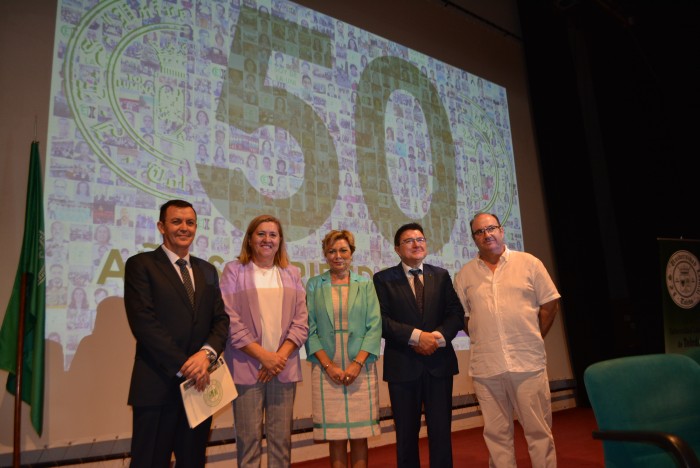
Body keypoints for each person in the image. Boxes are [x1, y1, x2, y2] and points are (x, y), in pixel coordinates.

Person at [123, 199, 229, 467]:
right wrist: (185, 365)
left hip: (200, 386)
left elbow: (221, 321)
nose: (184, 227)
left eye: (190, 222)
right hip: (157, 386)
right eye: (176, 221)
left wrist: (206, 356)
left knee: (193, 461)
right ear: (161, 226)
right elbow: (144, 324)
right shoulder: (141, 265)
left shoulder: (207, 270)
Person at [453, 212, 560, 468]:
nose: (486, 235)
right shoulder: (465, 275)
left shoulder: (529, 263)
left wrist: (533, 335)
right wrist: (486, 337)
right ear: (473, 238)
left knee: (538, 432)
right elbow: (466, 320)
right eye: (479, 232)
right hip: (486, 368)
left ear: (501, 231)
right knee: (496, 436)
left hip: (527, 364)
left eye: (491, 228)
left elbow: (550, 303)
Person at [220, 214, 308, 467]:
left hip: (283, 367)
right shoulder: (234, 271)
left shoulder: (292, 273)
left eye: (273, 234)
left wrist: (277, 358)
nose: (267, 239)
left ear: (280, 241)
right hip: (248, 367)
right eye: (261, 234)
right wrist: (263, 356)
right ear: (250, 239)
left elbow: (301, 320)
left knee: (281, 443)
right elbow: (229, 318)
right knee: (248, 443)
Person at [373, 222, 464, 468]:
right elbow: (380, 320)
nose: (416, 244)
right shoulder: (383, 279)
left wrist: (436, 337)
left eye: (420, 239)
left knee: (441, 432)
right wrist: (416, 336)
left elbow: (456, 314)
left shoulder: (441, 275)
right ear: (397, 249)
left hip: (439, 364)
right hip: (403, 366)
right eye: (409, 241)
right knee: (405, 434)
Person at [305, 230, 381, 467]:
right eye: (332, 251)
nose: (338, 256)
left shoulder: (365, 284)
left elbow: (374, 325)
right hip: (326, 367)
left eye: (343, 250)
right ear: (325, 255)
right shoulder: (315, 285)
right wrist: (329, 366)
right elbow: (309, 328)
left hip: (361, 366)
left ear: (352, 254)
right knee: (335, 436)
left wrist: (357, 363)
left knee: (360, 434)